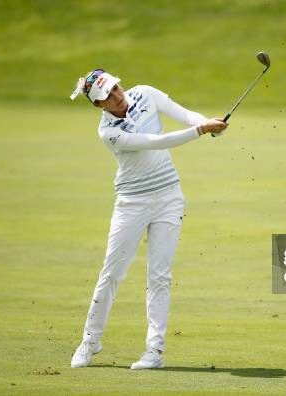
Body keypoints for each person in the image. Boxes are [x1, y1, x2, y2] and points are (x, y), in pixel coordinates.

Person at [68, 69, 228, 369]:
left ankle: (154, 351)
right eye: (107, 97)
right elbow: (157, 142)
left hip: (169, 197)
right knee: (111, 273)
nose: (116, 96)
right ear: (98, 106)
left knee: (160, 276)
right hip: (132, 203)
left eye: (115, 88)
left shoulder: (146, 93)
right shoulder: (109, 133)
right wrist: (201, 131)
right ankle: (90, 341)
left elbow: (184, 114)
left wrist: (207, 123)